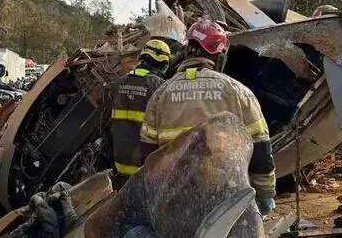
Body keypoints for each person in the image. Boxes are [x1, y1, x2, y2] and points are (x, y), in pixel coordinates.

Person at [140, 18, 276, 215]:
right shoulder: (239, 92)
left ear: (186, 53)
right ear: (219, 56)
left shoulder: (160, 95)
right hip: (227, 202)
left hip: (174, 202)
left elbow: (148, 157)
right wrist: (265, 194)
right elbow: (261, 150)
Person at [111, 39, 170, 189]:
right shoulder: (160, 86)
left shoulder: (118, 84)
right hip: (144, 169)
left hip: (119, 166)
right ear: (163, 64)